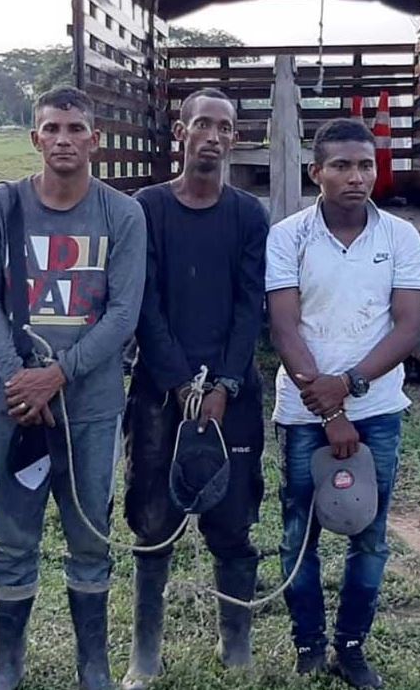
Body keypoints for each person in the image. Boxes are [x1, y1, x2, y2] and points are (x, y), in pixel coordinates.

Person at [0, 86, 146, 690]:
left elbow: (124, 314)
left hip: (92, 406)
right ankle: (7, 662)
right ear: (35, 138)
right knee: (13, 534)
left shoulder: (122, 214)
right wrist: (17, 377)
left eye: (76, 129)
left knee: (89, 535)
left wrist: (59, 373)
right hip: (16, 405)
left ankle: (92, 663)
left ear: (95, 139)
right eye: (52, 129)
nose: (64, 140)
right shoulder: (4, 206)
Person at [266, 118, 420, 688]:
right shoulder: (288, 235)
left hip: (378, 409)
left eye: (365, 165)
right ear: (317, 173)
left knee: (369, 533)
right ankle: (308, 645)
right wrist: (331, 411)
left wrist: (353, 385)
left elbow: (408, 327)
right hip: (304, 411)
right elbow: (284, 329)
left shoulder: (400, 237)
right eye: (341, 165)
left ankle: (351, 648)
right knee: (298, 534)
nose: (356, 177)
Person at [120, 88, 269, 689]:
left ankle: (236, 645)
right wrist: (180, 382)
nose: (212, 135)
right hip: (160, 393)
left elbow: (248, 307)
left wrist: (227, 383)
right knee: (152, 521)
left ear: (235, 139)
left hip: (232, 397)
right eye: (201, 124)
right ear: (180, 133)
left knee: (233, 520)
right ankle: (145, 653)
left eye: (224, 126)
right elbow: (143, 303)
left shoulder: (248, 215)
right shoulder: (147, 208)